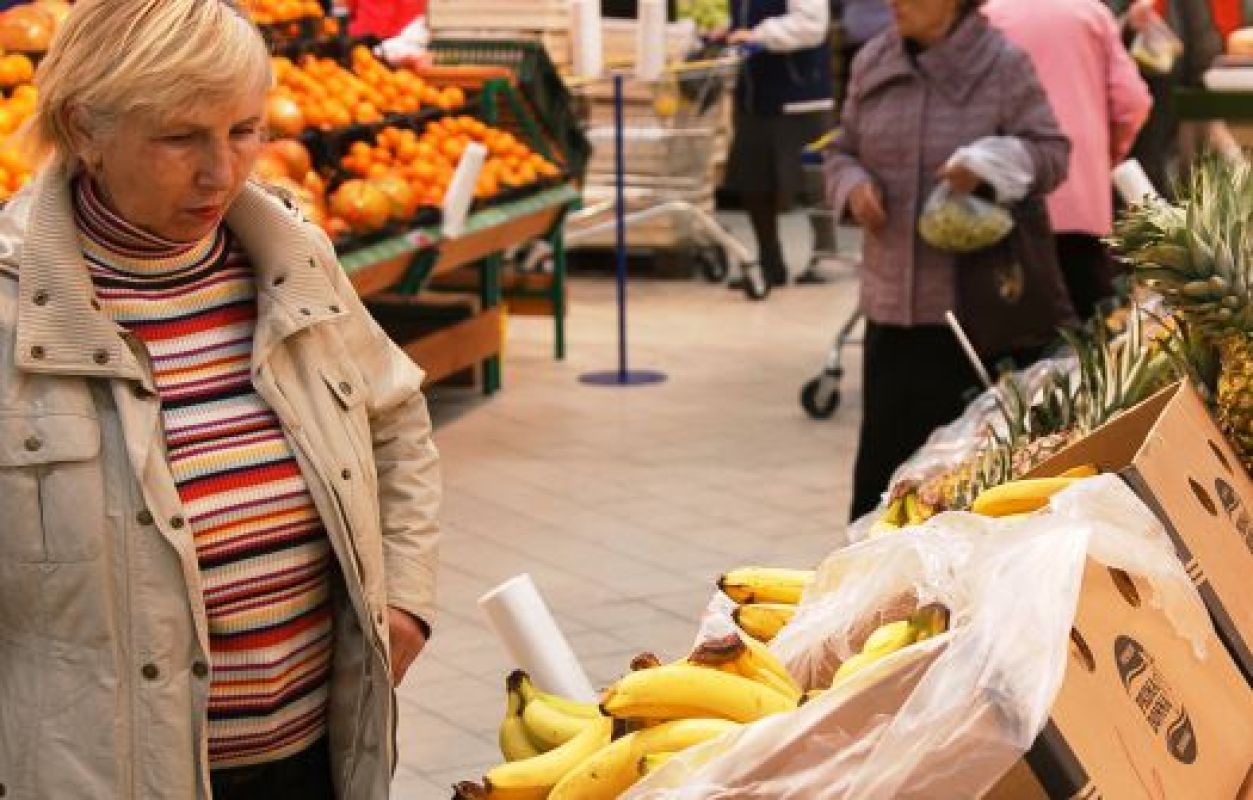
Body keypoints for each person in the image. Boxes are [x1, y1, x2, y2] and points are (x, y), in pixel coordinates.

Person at [0, 1, 442, 798]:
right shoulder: (15, 313)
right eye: (179, 137)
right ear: (84, 128)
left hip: (312, 760)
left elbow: (395, 418)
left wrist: (404, 599)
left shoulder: (293, 258)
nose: (222, 171)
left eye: (244, 130)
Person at [825, 0, 1073, 520]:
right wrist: (851, 186)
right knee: (878, 492)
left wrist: (988, 165)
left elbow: (1051, 155)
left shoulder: (1002, 64)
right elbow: (841, 148)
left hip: (972, 320)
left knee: (957, 499)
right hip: (890, 311)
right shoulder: (874, 59)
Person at [984, 0, 1153, 321]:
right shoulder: (1090, 13)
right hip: (1082, 208)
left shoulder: (988, 17)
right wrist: (1106, 155)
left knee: (1017, 340)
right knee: (1094, 340)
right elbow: (1132, 101)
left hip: (1009, 211)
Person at [723, 0, 834, 288]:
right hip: (755, 93)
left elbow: (812, 25)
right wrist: (728, 32)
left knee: (814, 182)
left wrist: (757, 35)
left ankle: (826, 257)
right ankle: (769, 261)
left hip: (798, 90)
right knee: (753, 180)